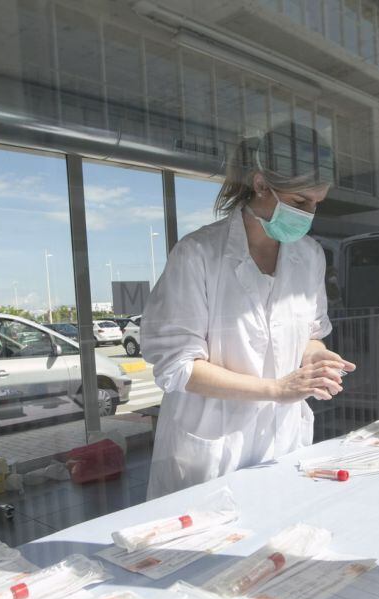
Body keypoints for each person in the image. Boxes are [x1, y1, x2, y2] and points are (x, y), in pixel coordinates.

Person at [140, 122, 354, 499]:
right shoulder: (198, 255)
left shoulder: (310, 256)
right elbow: (178, 366)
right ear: (260, 185)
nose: (309, 215)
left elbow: (309, 335)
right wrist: (275, 389)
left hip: (284, 442)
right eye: (300, 202)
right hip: (211, 451)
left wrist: (317, 361)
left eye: (316, 204)